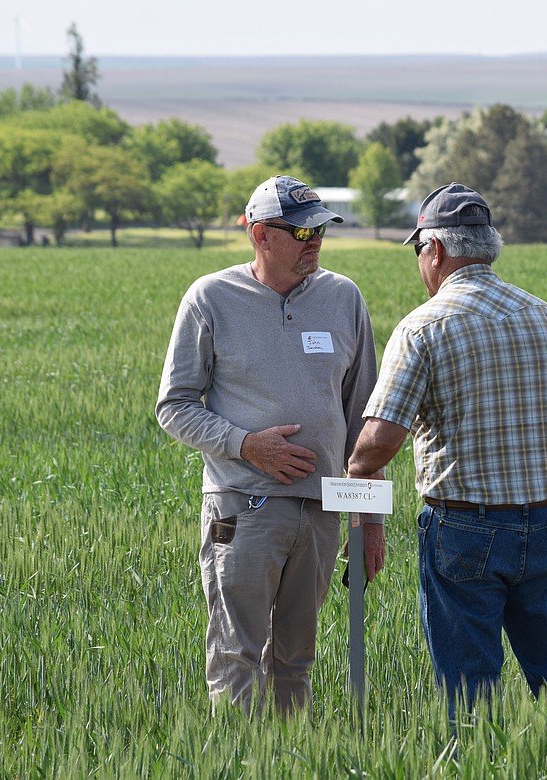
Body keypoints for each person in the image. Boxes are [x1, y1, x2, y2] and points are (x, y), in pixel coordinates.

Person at [346, 182, 547, 721]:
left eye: (418, 251)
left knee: (469, 691)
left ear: (434, 250)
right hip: (546, 522)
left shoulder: (423, 327)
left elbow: (380, 442)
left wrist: (353, 465)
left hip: (464, 528)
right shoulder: (546, 316)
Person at [156, 175, 385, 715]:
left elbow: (365, 423)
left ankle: (287, 759)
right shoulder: (210, 297)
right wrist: (245, 444)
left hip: (324, 512)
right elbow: (174, 405)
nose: (315, 241)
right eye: (301, 230)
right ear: (260, 234)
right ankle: (239, 762)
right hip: (244, 509)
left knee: (296, 658)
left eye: (320, 230)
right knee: (237, 656)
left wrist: (370, 520)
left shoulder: (342, 297)